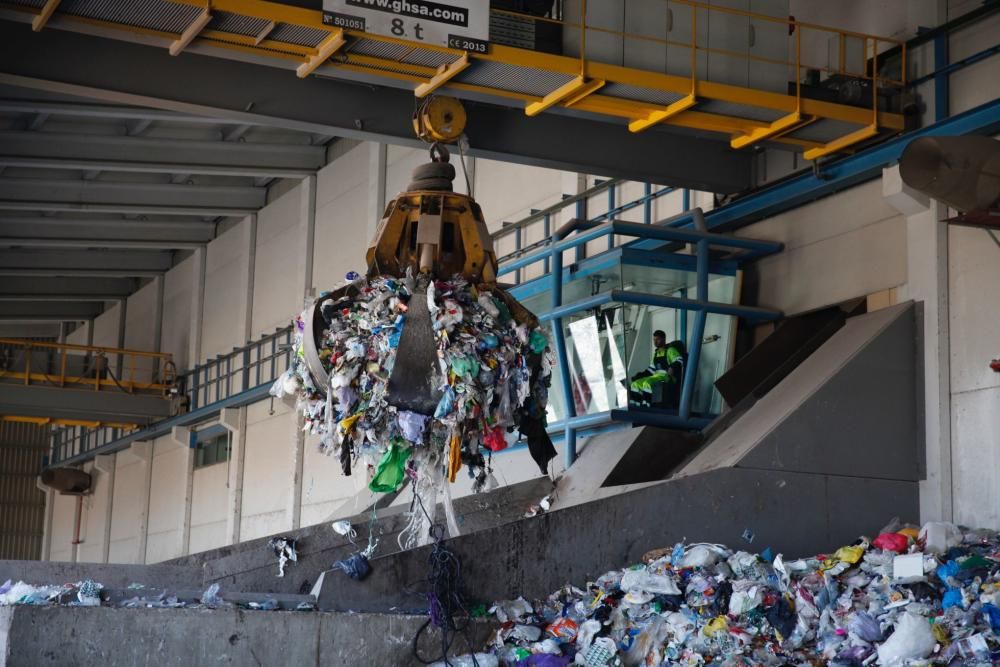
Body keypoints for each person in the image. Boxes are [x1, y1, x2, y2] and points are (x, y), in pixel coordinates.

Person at [629, 330, 686, 408]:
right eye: (654, 340)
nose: (655, 342)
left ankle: (646, 405)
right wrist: (639, 375)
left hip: (667, 377)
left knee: (647, 383)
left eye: (657, 339)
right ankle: (636, 405)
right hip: (656, 376)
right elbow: (651, 370)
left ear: (663, 339)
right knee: (635, 383)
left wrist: (672, 367)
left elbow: (680, 360)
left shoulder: (670, 350)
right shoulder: (656, 354)